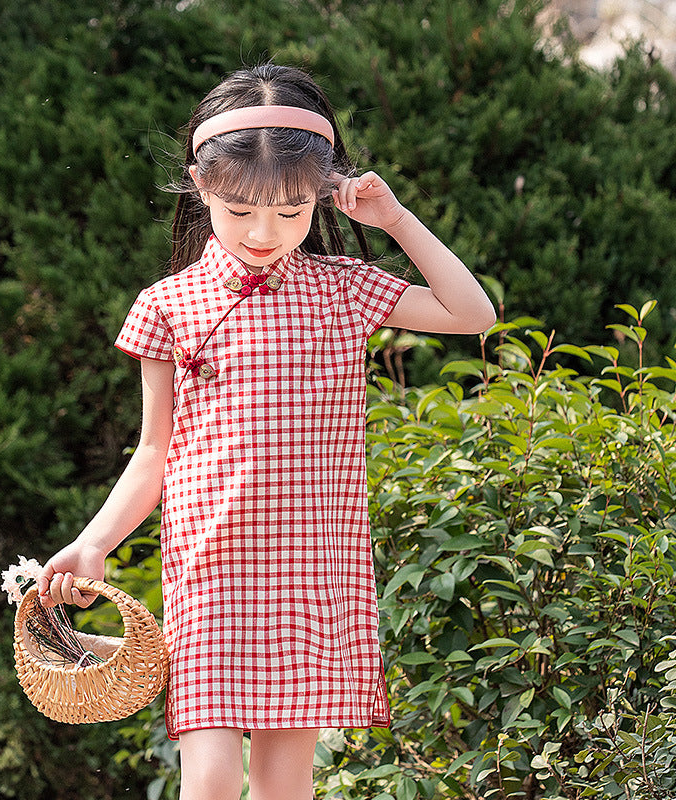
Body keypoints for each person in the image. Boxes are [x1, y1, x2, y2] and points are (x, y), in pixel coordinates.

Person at [37, 63, 496, 800]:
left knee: (286, 787)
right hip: (210, 568)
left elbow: (473, 314)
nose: (263, 233)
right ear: (201, 184)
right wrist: (95, 542)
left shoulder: (343, 289)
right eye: (240, 210)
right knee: (212, 782)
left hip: (310, 570)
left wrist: (396, 219)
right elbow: (155, 450)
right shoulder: (169, 304)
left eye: (291, 213)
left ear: (321, 195)